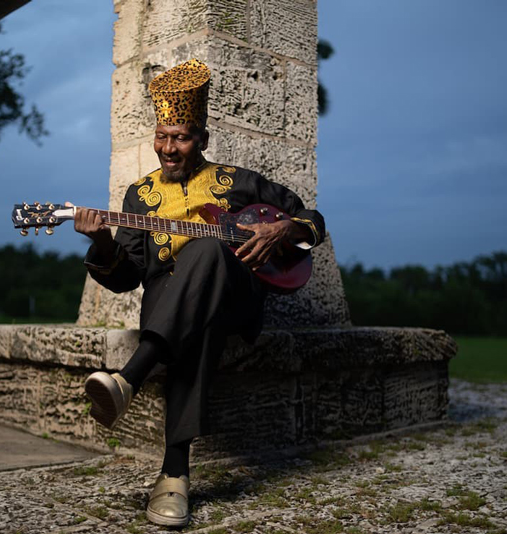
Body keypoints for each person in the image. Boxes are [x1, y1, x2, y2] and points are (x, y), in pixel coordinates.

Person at [73, 59, 325, 528]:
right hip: (176, 307)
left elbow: (313, 220)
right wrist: (103, 242)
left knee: (209, 248)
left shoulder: (239, 182)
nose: (169, 148)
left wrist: (283, 229)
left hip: (237, 299)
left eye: (181, 137)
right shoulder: (138, 198)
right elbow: (128, 276)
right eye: (162, 136)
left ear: (202, 140)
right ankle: (174, 477)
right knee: (197, 320)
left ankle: (129, 378)